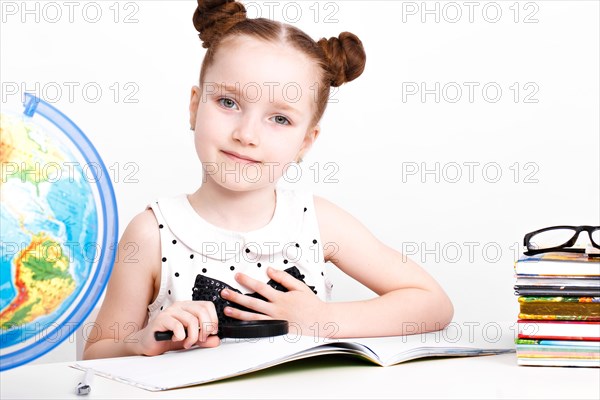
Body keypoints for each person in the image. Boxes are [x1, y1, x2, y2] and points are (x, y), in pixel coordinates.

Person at [83, 0, 453, 359]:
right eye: (228, 103)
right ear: (195, 106)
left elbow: (432, 304)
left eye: (280, 119)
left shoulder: (317, 222)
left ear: (305, 141)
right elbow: (95, 354)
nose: (247, 134)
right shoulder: (152, 233)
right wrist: (141, 342)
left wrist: (323, 319)